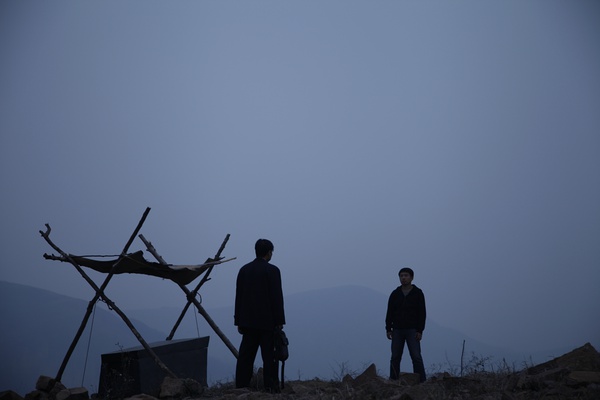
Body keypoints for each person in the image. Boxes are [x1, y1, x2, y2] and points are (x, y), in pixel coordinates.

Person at [234, 239, 286, 392]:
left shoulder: (244, 270)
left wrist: (238, 320)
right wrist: (280, 321)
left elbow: (239, 297)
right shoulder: (273, 271)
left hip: (247, 322)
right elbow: (277, 298)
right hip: (267, 322)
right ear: (269, 252)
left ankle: (241, 385)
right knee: (269, 357)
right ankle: (270, 386)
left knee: (245, 356)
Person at [385, 267, 427, 382]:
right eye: (401, 276)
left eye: (406, 275)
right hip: (397, 329)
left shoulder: (417, 293)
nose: (403, 278)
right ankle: (393, 380)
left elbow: (422, 313)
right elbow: (389, 312)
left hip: (412, 330)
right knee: (395, 357)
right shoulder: (395, 294)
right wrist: (388, 329)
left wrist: (420, 330)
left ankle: (421, 381)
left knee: (416, 356)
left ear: (411, 277)